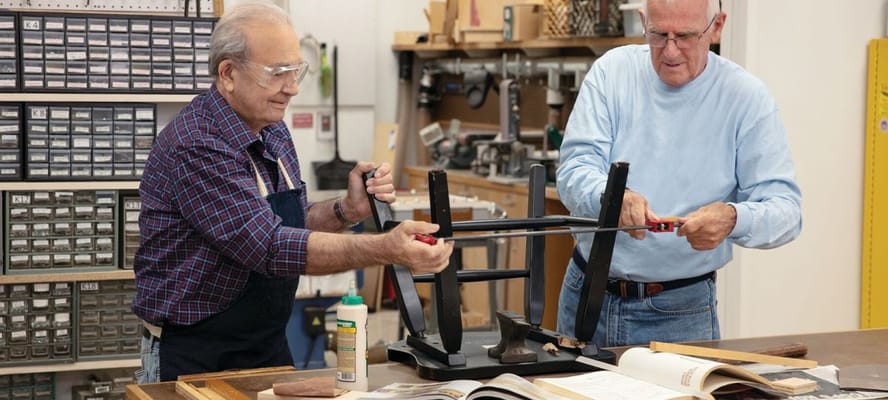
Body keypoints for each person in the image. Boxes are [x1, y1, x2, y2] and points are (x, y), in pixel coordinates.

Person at [132, 2, 453, 383]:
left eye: (296, 70)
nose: (293, 87)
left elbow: (289, 221)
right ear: (229, 73)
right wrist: (386, 248)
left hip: (263, 343)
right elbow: (268, 246)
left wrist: (346, 209)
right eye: (278, 73)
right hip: (193, 352)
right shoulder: (198, 145)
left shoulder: (271, 130)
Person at [555, 0, 802, 348]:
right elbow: (573, 171)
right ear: (643, 22)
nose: (670, 51)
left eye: (685, 36)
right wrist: (612, 199)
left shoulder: (746, 98)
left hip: (681, 312)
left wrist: (733, 218)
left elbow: (787, 212)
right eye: (658, 34)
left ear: (717, 27)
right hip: (586, 295)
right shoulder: (612, 73)